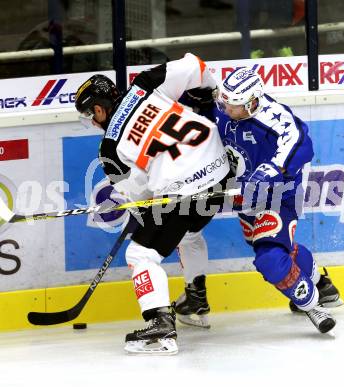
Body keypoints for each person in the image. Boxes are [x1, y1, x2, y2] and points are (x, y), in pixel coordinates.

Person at [74, 53, 231, 355]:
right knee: (188, 233)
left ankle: (160, 322)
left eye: (89, 116)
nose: (92, 122)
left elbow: (140, 195)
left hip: (182, 192)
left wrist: (138, 210)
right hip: (221, 174)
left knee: (141, 253)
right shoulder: (144, 85)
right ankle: (195, 299)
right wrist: (213, 97)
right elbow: (195, 66)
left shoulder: (109, 147)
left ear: (98, 109)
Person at [211, 66, 341, 333]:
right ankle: (322, 284)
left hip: (279, 197)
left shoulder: (276, 118)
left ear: (251, 103)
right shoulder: (227, 107)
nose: (225, 109)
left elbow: (300, 144)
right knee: (277, 247)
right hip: (246, 198)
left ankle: (312, 304)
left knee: (269, 258)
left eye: (232, 105)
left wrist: (267, 173)